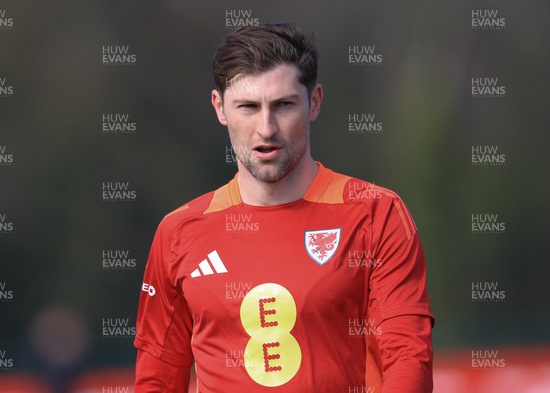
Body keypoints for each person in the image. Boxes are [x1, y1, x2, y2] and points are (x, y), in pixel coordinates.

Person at [134, 23, 434, 393]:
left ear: (315, 102)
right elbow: (157, 381)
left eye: (283, 105)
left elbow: (408, 358)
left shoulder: (375, 213)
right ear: (219, 107)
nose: (266, 128)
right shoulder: (178, 233)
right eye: (247, 107)